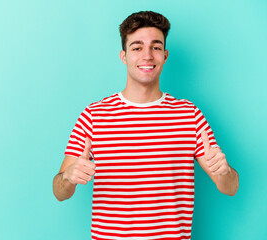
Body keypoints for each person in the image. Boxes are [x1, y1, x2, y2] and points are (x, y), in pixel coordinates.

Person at [52, 10, 239, 240]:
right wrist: (69, 176)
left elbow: (230, 188)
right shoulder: (93, 116)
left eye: (156, 47)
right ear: (124, 56)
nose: (147, 56)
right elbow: (60, 192)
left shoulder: (189, 115)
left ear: (165, 55)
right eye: (137, 47)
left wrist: (225, 171)